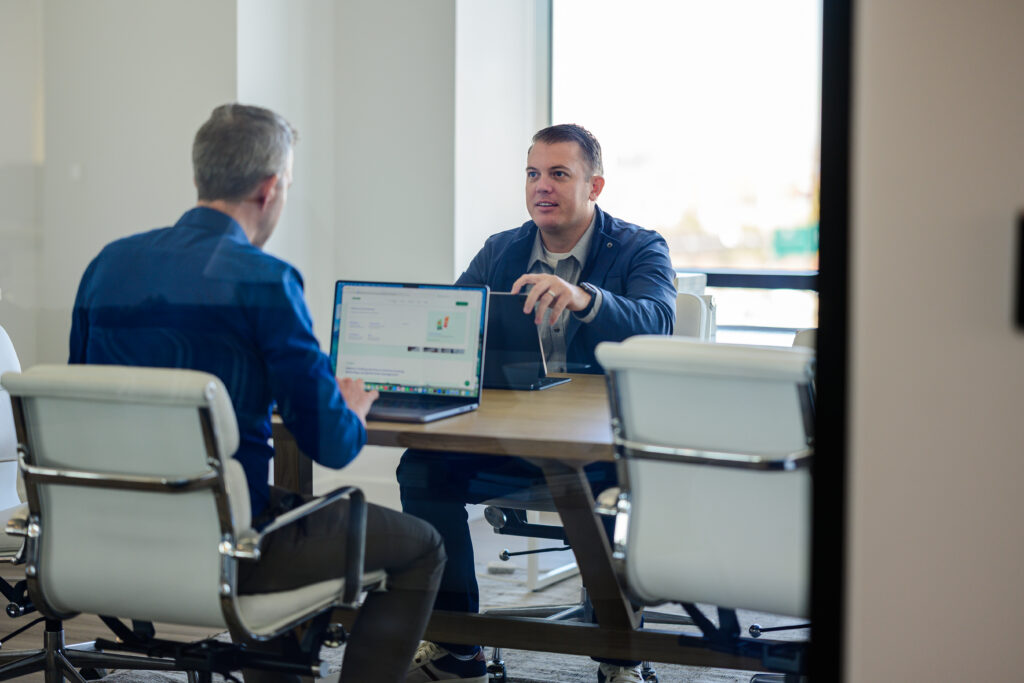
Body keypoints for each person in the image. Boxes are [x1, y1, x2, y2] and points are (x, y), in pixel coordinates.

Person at [69, 103, 446, 683]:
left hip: (106, 535)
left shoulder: (107, 265)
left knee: (286, 510)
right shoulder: (265, 281)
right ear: (270, 189)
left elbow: (83, 397)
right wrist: (349, 407)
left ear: (203, 175)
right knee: (422, 546)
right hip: (227, 547)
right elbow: (333, 445)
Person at [399, 124, 676, 683]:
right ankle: (459, 649)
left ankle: (618, 658)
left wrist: (585, 298)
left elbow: (659, 321)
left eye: (558, 174)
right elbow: (455, 326)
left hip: (598, 446)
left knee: (602, 497)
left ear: (594, 185)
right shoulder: (501, 250)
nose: (541, 187)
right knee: (422, 469)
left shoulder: (640, 247)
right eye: (532, 173)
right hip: (511, 438)